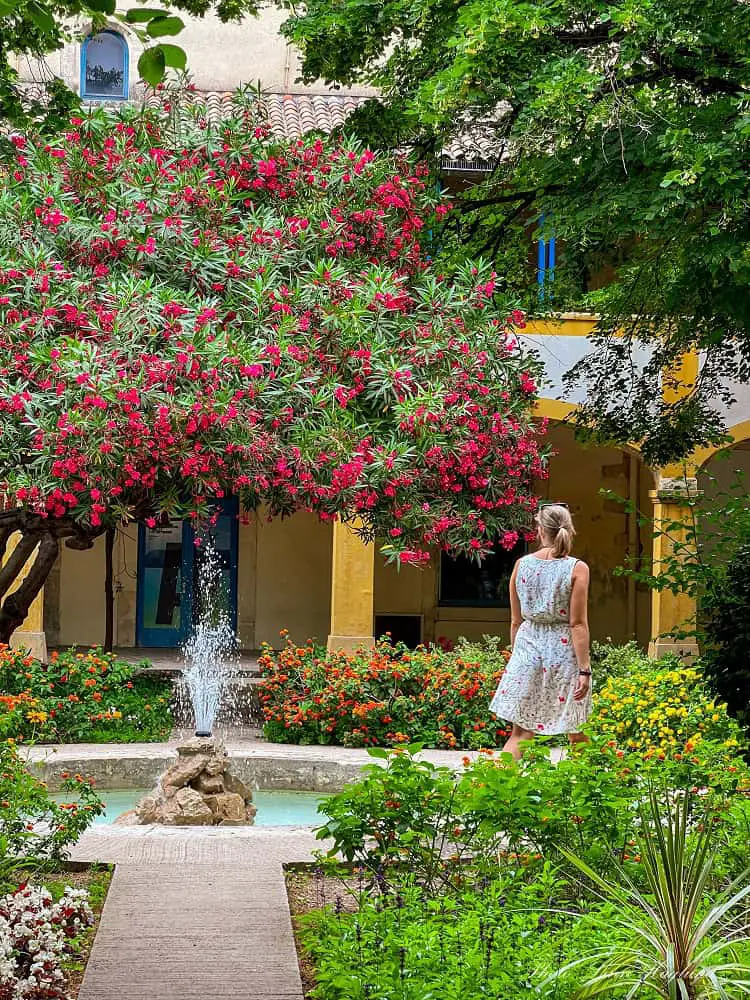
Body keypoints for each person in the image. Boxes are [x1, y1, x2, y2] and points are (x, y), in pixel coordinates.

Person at [489, 503, 592, 759]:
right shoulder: (578, 568)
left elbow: (515, 620)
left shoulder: (521, 565)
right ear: (569, 529)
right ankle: (589, 793)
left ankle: (502, 791)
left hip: (527, 648)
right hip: (563, 653)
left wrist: (517, 656)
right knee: (576, 732)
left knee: (520, 735)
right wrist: (584, 669)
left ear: (539, 530)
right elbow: (577, 624)